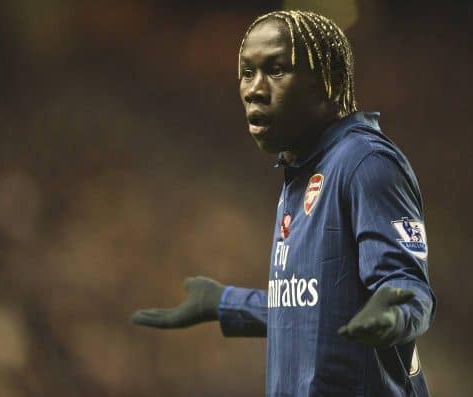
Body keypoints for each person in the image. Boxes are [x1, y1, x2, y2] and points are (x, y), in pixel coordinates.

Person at [131, 10, 436, 397]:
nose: (255, 89)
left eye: (276, 70)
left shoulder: (365, 163)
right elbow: (312, 304)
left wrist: (395, 312)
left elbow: (407, 285)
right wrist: (224, 303)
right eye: (246, 72)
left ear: (330, 81)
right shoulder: (301, 172)